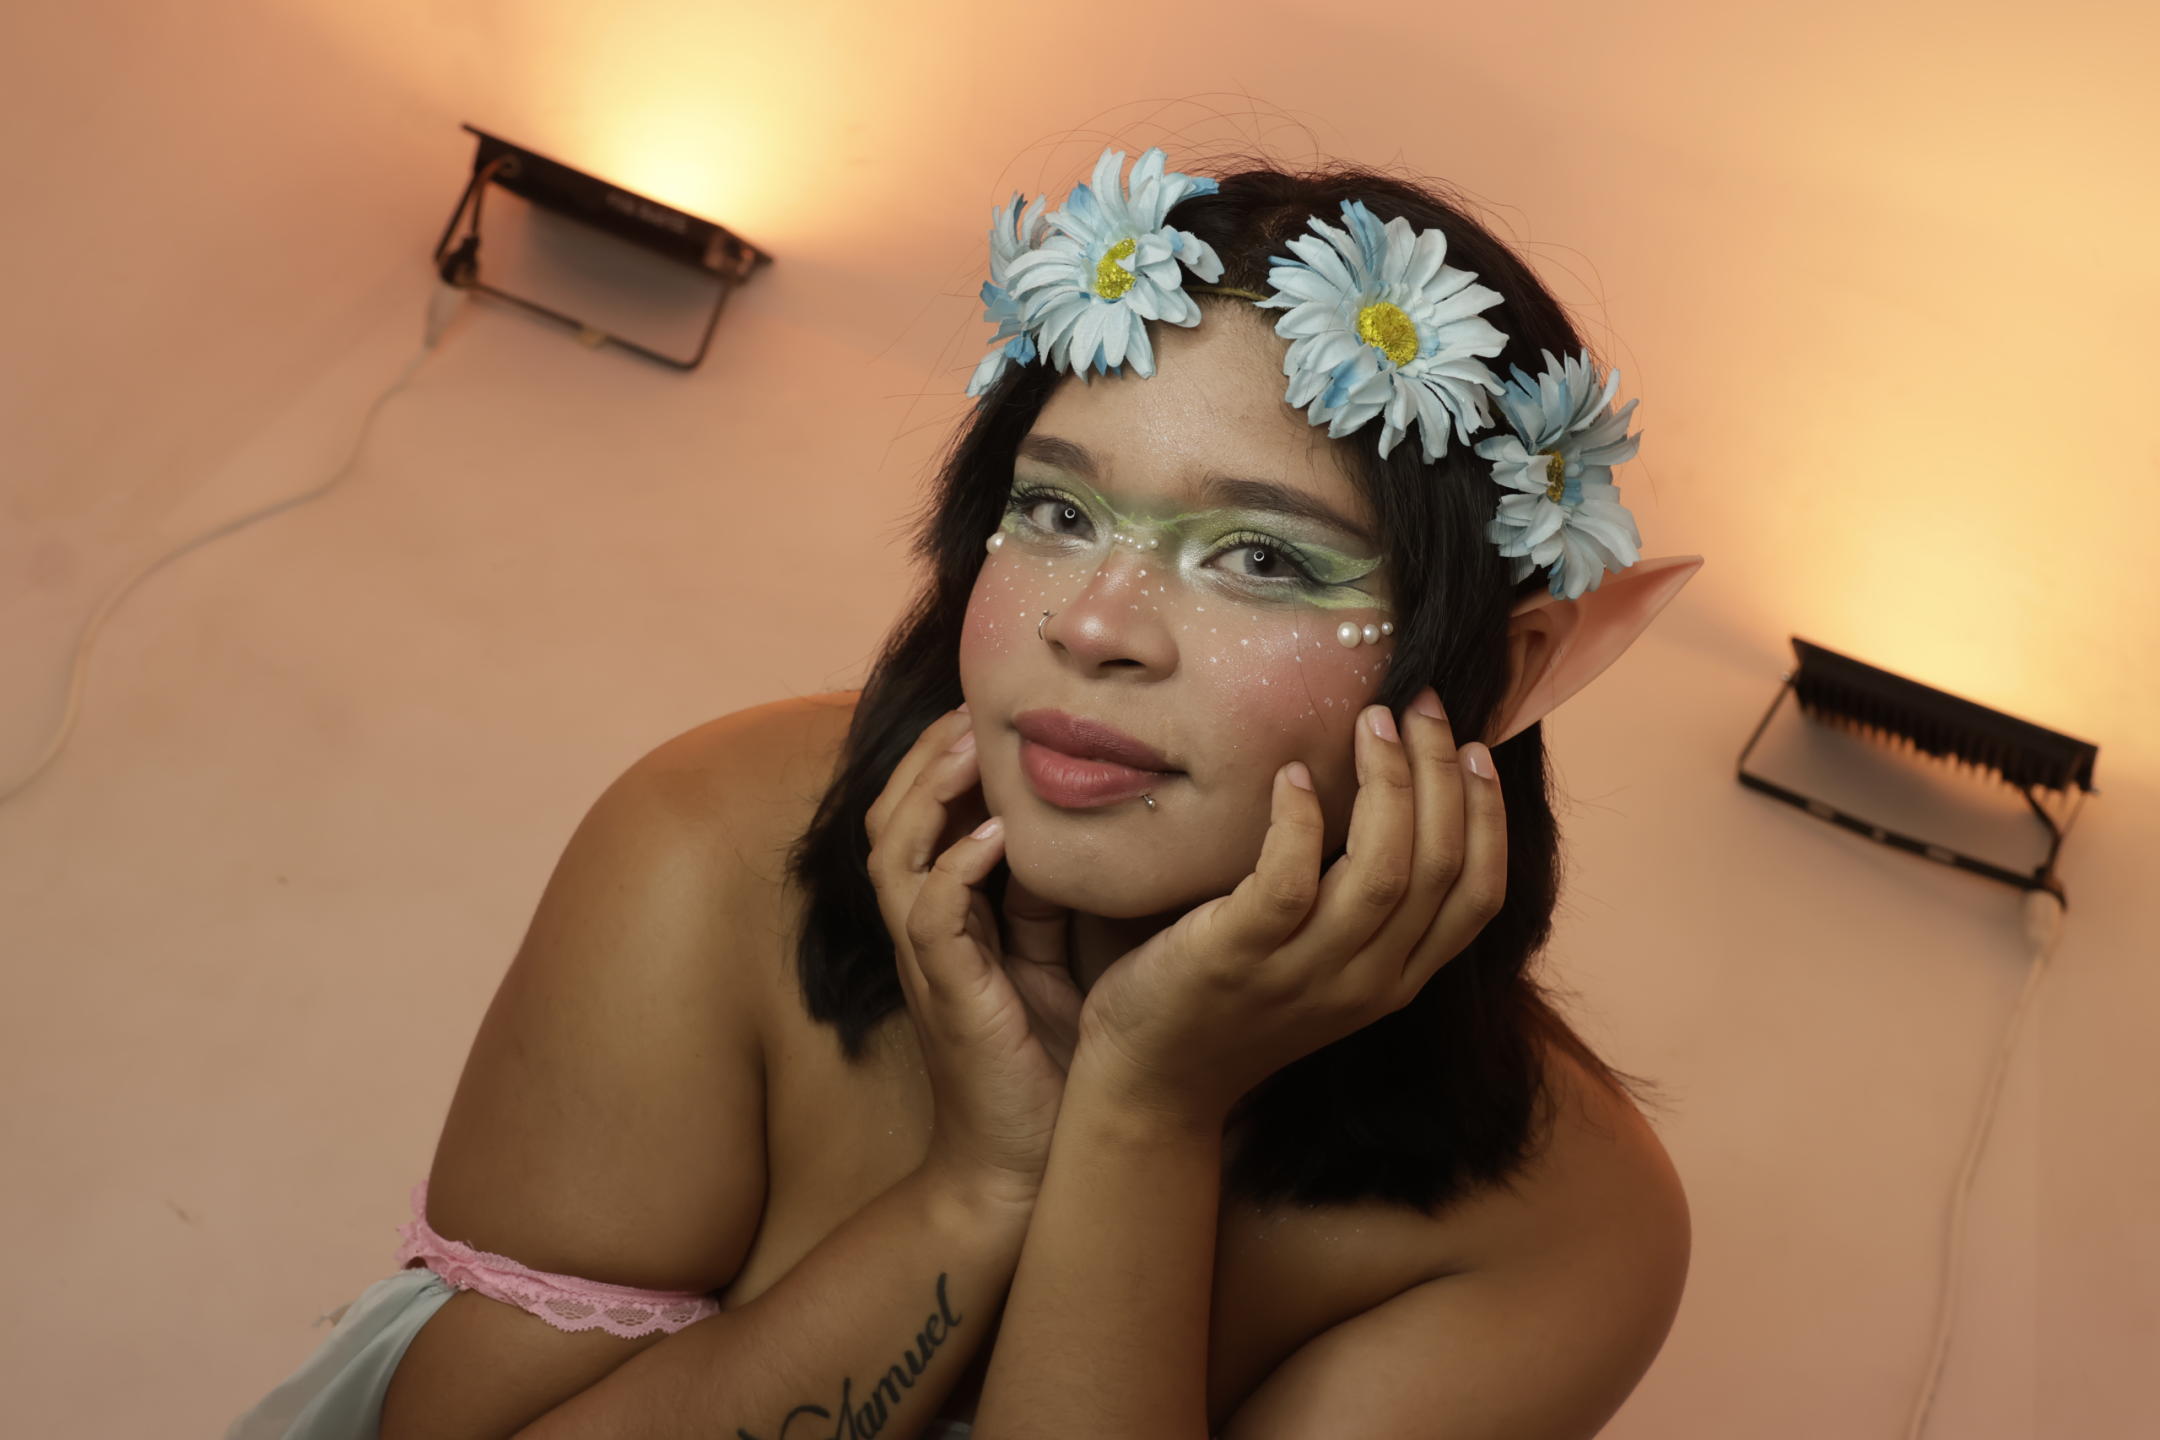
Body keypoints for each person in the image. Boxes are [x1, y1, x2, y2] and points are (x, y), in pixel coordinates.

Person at [227, 145, 1700, 1440]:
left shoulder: (1568, 1225)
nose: (1095, 625)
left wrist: (1142, 1114)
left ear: (1504, 671)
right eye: (1054, 509)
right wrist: (976, 1188)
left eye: (1259, 556)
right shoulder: (711, 852)